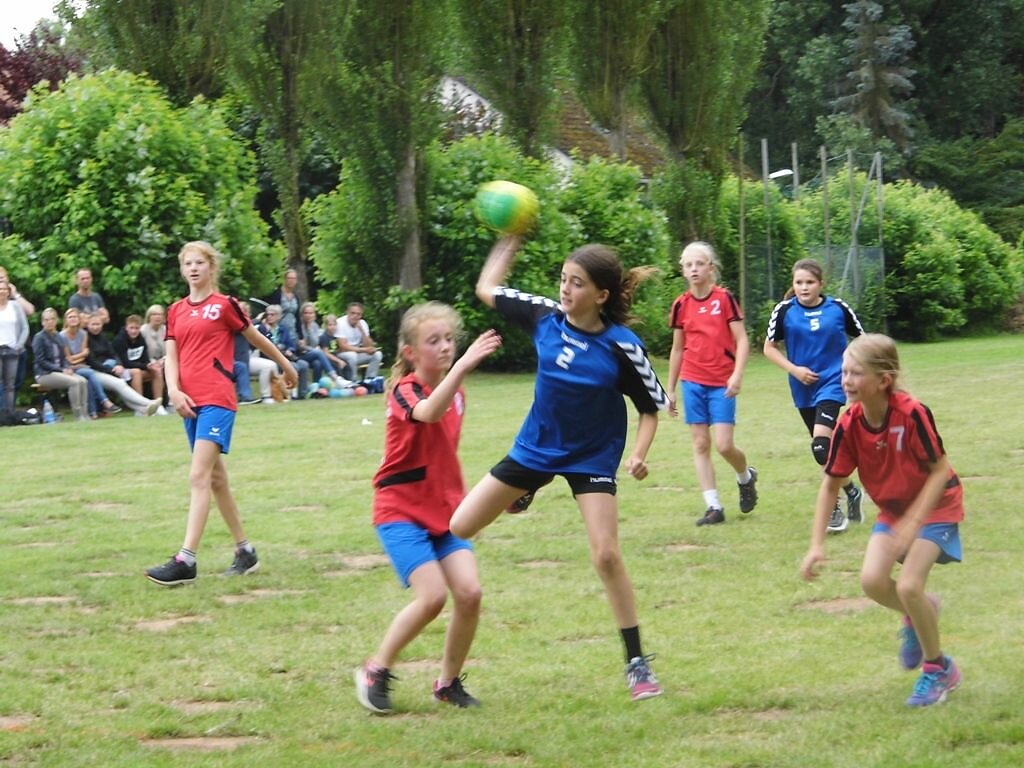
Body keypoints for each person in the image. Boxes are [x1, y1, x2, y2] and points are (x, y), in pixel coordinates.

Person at [449, 236, 668, 702]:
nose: (566, 290)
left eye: (577, 283)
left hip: (591, 457)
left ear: (601, 295)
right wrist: (509, 241)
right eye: (564, 280)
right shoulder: (544, 315)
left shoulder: (621, 346)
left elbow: (652, 406)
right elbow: (487, 286)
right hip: (536, 450)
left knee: (606, 555)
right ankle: (527, 490)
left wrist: (640, 454)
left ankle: (637, 662)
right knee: (460, 524)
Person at [800, 334, 964, 707]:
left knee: (908, 587)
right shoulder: (849, 423)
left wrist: (913, 523)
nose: (846, 380)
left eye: (856, 373)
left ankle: (939, 670)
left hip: (937, 505)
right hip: (894, 509)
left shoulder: (912, 413)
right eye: (844, 371)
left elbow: (939, 471)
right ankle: (919, 612)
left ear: (883, 380)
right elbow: (830, 486)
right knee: (872, 582)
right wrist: (816, 545)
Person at [355, 303, 502, 715]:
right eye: (432, 341)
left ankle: (448, 682)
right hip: (399, 512)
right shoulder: (405, 391)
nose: (444, 347)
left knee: (470, 593)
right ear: (410, 353)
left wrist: (478, 506)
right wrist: (465, 365)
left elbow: (444, 458)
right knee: (433, 596)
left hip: (445, 513)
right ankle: (375, 670)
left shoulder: (458, 396)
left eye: (449, 340)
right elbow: (428, 411)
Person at [144, 241, 298, 587]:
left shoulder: (223, 306)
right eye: (188, 263)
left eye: (200, 262)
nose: (193, 268)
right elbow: (173, 356)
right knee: (215, 480)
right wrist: (174, 391)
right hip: (189, 402)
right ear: (182, 269)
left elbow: (256, 337)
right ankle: (246, 551)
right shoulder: (175, 311)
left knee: (199, 477)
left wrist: (285, 365)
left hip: (218, 399)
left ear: (211, 267)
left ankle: (186, 559)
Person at [764, 259, 866, 533]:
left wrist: (848, 362)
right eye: (799, 282)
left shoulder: (838, 308)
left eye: (809, 282)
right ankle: (851, 490)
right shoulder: (784, 311)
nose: (804, 287)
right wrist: (795, 370)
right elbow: (769, 348)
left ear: (821, 284)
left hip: (833, 382)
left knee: (821, 446)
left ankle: (833, 510)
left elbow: (862, 339)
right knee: (827, 451)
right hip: (802, 386)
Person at [666, 241, 758, 526]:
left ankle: (746, 476)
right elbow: (678, 349)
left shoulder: (724, 300)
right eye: (688, 265)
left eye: (699, 263)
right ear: (683, 271)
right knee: (700, 444)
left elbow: (742, 340)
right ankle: (713, 507)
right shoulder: (681, 305)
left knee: (724, 445)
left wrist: (737, 375)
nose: (694, 269)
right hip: (692, 381)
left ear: (710, 268)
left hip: (722, 382)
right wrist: (670, 390)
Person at [84, 314, 160, 416]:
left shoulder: (103, 337)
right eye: (93, 324)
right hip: (96, 372)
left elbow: (113, 353)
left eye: (98, 324)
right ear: (88, 325)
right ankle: (149, 403)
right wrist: (110, 370)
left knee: (122, 384)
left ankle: (143, 410)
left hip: (112, 368)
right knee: (120, 384)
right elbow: (92, 361)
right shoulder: (86, 339)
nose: (96, 327)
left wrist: (119, 365)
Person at [31, 307, 90, 422]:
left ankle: (85, 413)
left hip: (60, 371)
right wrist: (61, 370)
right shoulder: (39, 338)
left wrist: (66, 368)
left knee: (83, 381)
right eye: (46, 320)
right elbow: (41, 361)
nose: (49, 322)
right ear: (42, 322)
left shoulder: (58, 336)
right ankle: (78, 415)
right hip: (44, 374)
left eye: (52, 319)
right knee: (74, 382)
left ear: (56, 320)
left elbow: (63, 358)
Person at [61, 307, 121, 418]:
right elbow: (69, 359)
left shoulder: (83, 334)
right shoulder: (62, 336)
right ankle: (104, 401)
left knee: (88, 380)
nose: (73, 319)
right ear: (66, 320)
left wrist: (77, 358)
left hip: (81, 367)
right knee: (90, 374)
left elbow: (86, 354)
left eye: (75, 317)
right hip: (69, 368)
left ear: (79, 319)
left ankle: (93, 412)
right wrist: (79, 357)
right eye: (70, 317)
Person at [114, 314, 166, 413]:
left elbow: (144, 358)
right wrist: (145, 365)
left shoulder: (141, 339)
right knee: (137, 372)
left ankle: (158, 405)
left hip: (137, 369)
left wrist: (150, 366)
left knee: (157, 370)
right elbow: (125, 362)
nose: (134, 331)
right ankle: (140, 407)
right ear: (126, 328)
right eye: (131, 328)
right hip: (123, 371)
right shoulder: (119, 340)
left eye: (136, 328)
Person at [257, 304, 310, 399]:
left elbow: (291, 344)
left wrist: (290, 350)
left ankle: (302, 394)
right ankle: (290, 393)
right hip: (271, 357)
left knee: (304, 364)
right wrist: (268, 331)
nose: (269, 317)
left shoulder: (283, 329)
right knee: (295, 366)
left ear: (278, 316)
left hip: (285, 356)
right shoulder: (263, 329)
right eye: (267, 314)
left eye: (272, 315)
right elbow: (268, 344)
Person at [0, 266, 36, 400]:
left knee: (16, 382)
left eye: (2, 277)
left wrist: (15, 294)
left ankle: (10, 413)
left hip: (19, 348)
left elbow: (30, 311)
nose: (1, 280)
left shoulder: (15, 300)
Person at [0, 279, 30, 417]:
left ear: (9, 292)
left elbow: (24, 327)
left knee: (10, 385)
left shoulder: (15, 306)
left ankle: (9, 414)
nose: (2, 291)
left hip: (12, 349)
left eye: (5, 289)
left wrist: (19, 346)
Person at [297, 301, 343, 387]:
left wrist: (310, 328)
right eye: (306, 313)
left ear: (314, 314)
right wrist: (312, 349)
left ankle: (316, 386)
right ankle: (334, 377)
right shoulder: (299, 327)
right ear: (302, 315)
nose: (308, 315)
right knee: (318, 352)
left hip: (313, 355)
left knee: (317, 363)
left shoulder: (314, 326)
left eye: (311, 313)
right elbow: (301, 347)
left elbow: (315, 342)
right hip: (300, 355)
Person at [333, 302, 383, 381]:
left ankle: (369, 380)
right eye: (353, 313)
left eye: (358, 314)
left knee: (377, 354)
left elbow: (369, 345)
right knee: (352, 355)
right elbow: (343, 346)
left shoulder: (362, 323)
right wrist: (364, 350)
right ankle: (353, 381)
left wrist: (362, 330)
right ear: (347, 313)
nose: (355, 316)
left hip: (357, 353)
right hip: (342, 355)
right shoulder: (340, 323)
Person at [140, 304, 168, 414]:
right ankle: (158, 405)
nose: (158, 317)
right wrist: (152, 362)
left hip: (164, 360)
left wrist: (163, 360)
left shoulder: (166, 330)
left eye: (160, 314)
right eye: (154, 314)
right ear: (149, 316)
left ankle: (173, 403)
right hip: (147, 362)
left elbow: (169, 351)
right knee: (158, 371)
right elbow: (142, 352)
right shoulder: (143, 330)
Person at [266, 268, 301, 337]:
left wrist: (300, 335)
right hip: (279, 332)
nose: (291, 281)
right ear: (285, 279)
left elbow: (297, 317)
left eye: (294, 278)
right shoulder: (277, 294)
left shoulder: (296, 297)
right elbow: (271, 313)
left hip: (293, 332)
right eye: (289, 278)